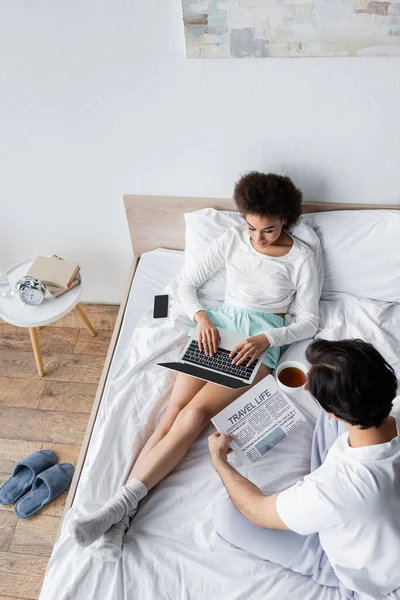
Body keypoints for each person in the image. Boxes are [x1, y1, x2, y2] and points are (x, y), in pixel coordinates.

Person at [72, 171, 319, 557]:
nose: (257, 237)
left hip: (257, 343)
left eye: (268, 230)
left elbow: (309, 320)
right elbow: (187, 283)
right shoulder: (233, 240)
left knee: (194, 416)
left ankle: (120, 509)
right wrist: (202, 317)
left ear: (285, 219)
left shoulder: (302, 258)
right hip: (219, 327)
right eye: (252, 227)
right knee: (172, 412)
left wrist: (267, 338)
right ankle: (119, 515)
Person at [210, 339, 400, 599]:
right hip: (376, 512)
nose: (307, 383)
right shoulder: (389, 408)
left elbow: (257, 511)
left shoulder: (337, 488)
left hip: (370, 570)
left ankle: (325, 563)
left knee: (226, 515)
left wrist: (219, 462)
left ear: (336, 413)